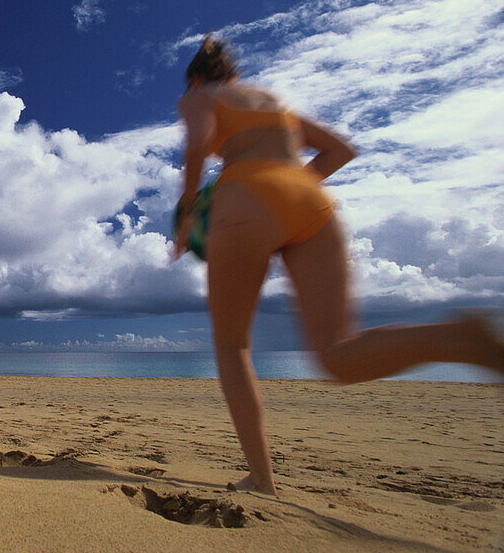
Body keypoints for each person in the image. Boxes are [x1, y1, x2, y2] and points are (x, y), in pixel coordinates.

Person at [174, 35, 503, 496]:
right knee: (336, 353)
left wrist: (187, 216)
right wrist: (287, 189)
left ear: (194, 75)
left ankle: (262, 479)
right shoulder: (274, 103)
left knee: (232, 346)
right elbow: (342, 150)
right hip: (311, 202)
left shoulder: (198, 95)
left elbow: (197, 146)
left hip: (244, 197)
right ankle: (460, 338)